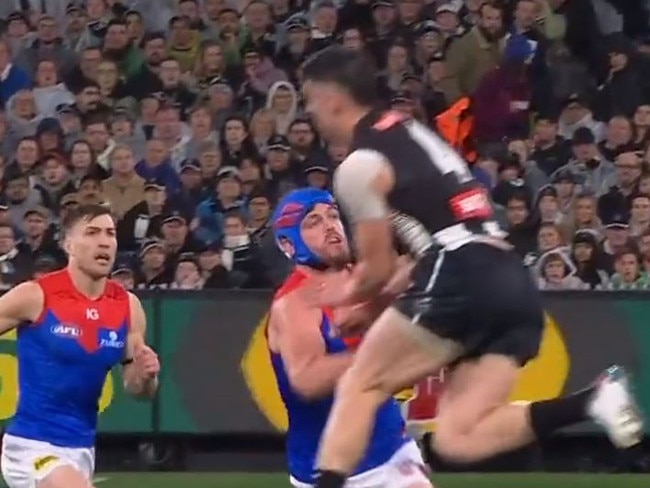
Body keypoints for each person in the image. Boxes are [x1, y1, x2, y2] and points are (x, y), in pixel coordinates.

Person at [299, 46, 644, 488]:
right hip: (509, 278)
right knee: (457, 439)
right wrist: (386, 293)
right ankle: (592, 401)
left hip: (461, 269)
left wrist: (345, 296)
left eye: (309, 100)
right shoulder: (409, 131)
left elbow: (377, 269)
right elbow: (426, 245)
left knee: (361, 385)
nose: (309, 112)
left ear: (333, 99)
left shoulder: (358, 166)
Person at [266, 188, 430, 488]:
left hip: (391, 450)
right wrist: (382, 355)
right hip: (328, 468)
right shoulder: (295, 303)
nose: (330, 226)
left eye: (333, 216)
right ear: (289, 243)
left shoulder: (365, 278)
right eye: (313, 222)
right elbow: (307, 379)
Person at [0, 204, 160, 488]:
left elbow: (138, 390)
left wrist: (147, 374)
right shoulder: (35, 295)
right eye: (92, 232)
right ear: (69, 245)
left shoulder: (127, 306)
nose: (104, 241)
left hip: (82, 450)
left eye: (110, 233)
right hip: (31, 445)